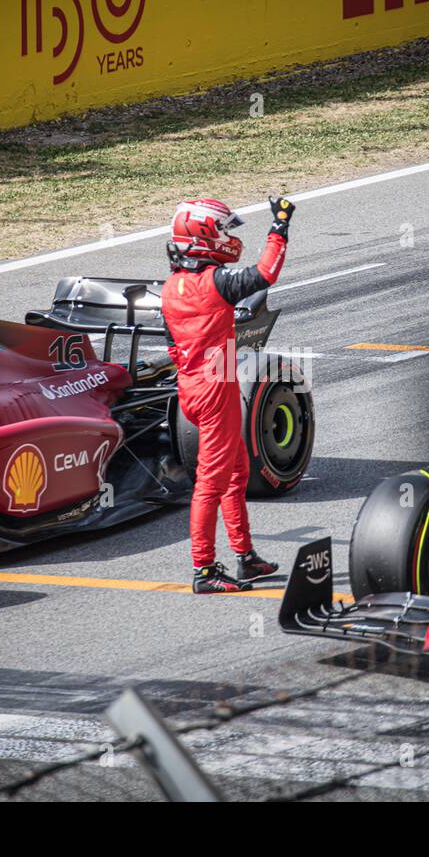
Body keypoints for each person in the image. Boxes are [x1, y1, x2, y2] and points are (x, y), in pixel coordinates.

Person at [161, 195, 295, 593]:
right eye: (222, 229)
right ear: (204, 235)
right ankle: (204, 569)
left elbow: (172, 347)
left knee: (236, 473)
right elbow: (266, 272)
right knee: (211, 481)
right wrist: (281, 225)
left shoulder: (169, 288)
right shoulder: (215, 283)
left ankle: (245, 557)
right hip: (217, 388)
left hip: (192, 385)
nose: (226, 236)